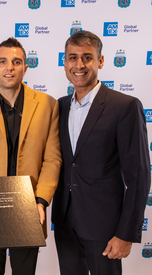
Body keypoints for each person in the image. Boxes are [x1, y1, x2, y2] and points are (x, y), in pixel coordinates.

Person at [52, 30, 151, 275]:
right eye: (72, 58)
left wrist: (125, 233)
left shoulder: (125, 107)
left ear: (101, 61)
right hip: (65, 223)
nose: (79, 65)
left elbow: (138, 176)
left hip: (105, 228)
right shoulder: (59, 106)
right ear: (64, 63)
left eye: (87, 57)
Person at [0, 37, 62, 275]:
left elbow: (52, 159)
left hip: (29, 208)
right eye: (3, 61)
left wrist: (41, 200)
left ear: (25, 68)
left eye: (17, 62)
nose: (9, 67)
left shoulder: (48, 105)